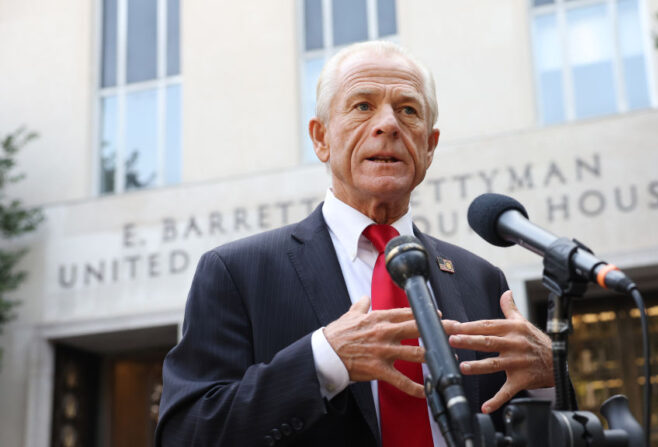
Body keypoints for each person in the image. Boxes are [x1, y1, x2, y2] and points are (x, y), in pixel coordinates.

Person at [156, 41, 554, 447]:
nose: (388, 125)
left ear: (430, 146)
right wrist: (326, 361)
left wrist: (550, 376)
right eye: (363, 106)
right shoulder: (238, 272)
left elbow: (525, 426)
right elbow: (186, 433)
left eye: (408, 110)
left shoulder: (480, 279)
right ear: (321, 138)